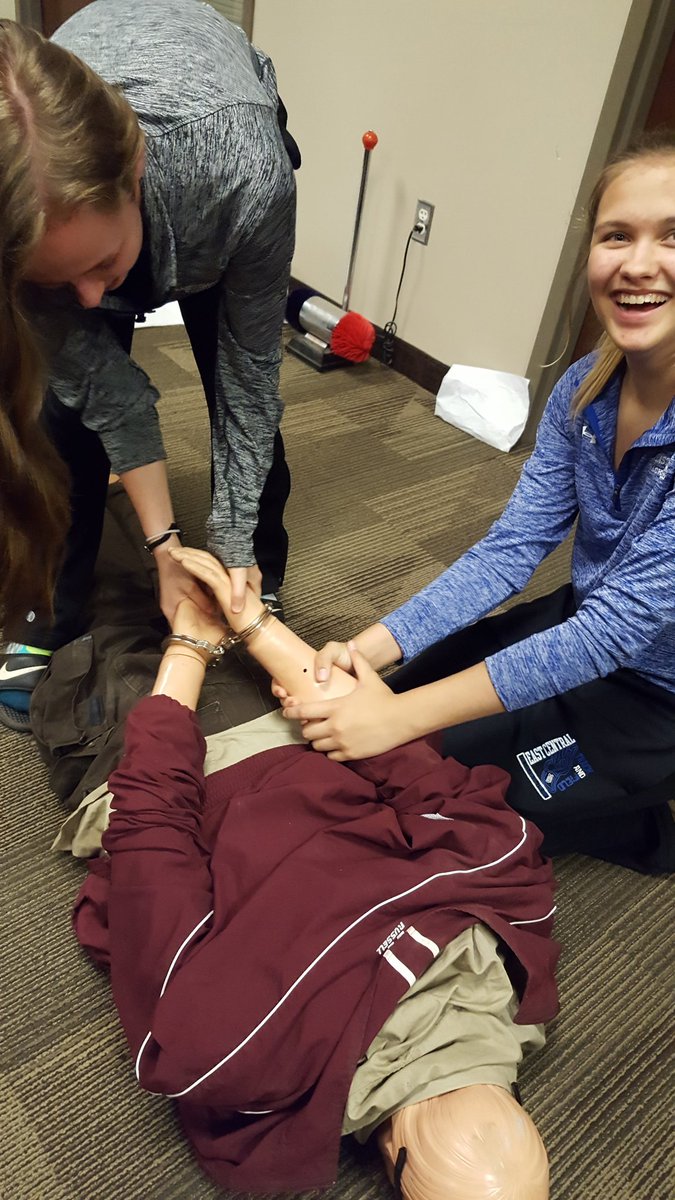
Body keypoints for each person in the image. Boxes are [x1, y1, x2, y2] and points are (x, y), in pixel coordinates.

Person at [71, 545, 558, 1198]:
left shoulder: (510, 922)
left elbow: (150, 853)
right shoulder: (235, 1059)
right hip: (272, 735)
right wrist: (242, 629)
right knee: (156, 556)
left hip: (179, 758)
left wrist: (214, 643)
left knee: (79, 578)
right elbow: (151, 865)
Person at [280, 130, 675, 875]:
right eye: (615, 235)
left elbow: (615, 635)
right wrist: (369, 647)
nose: (637, 263)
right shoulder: (585, 386)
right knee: (401, 704)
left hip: (658, 691)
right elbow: (510, 549)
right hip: (588, 621)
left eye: (671, 238)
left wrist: (394, 719)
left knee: (451, 805)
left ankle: (643, 817)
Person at [0, 0, 298, 731]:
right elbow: (113, 395)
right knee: (60, 415)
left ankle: (251, 578)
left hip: (214, 167)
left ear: (132, 173)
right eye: (59, 281)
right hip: (115, 201)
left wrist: (223, 550)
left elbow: (247, 379)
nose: (95, 299)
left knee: (241, 396)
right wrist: (164, 547)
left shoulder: (243, 174)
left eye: (102, 264)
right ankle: (48, 606)